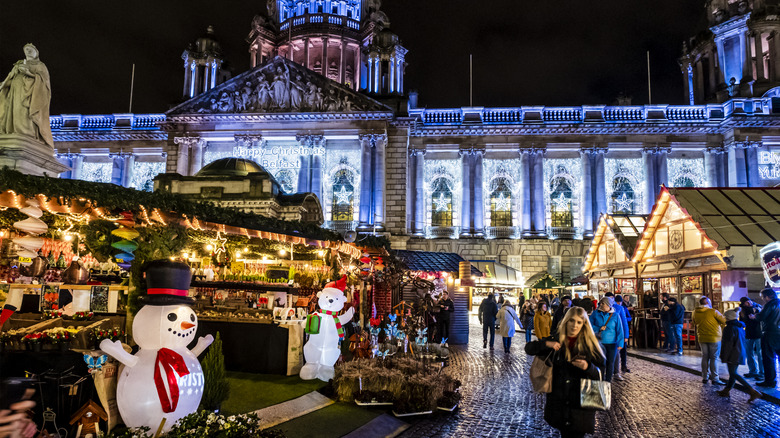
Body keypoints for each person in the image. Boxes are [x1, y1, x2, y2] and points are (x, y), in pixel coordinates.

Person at [525, 307, 606, 438]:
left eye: (579, 322)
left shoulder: (592, 346)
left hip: (581, 405)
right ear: (566, 321)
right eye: (571, 321)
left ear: (584, 324)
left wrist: (587, 367)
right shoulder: (556, 340)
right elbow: (529, 348)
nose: (575, 325)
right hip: (560, 404)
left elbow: (601, 374)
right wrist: (546, 344)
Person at [0, 44, 54, 147]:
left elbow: (45, 84)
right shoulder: (19, 64)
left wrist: (29, 73)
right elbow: (9, 78)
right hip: (15, 95)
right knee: (14, 112)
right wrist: (3, 85)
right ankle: (12, 130)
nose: (28, 51)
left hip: (30, 97)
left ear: (36, 52)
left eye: (31, 50)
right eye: (26, 50)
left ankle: (26, 132)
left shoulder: (40, 66)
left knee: (25, 114)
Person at [717, 309, 762, 402]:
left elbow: (727, 344)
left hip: (732, 353)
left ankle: (752, 391)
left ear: (728, 318)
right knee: (733, 373)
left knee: (733, 373)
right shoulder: (739, 326)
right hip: (739, 352)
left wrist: (724, 355)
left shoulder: (729, 328)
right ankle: (726, 390)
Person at [692, 296, 727, 385]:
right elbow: (724, 321)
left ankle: (705, 377)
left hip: (702, 337)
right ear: (707, 303)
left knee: (705, 357)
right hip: (714, 337)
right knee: (714, 358)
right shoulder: (713, 311)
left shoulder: (695, 312)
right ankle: (715, 378)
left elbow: (694, 323)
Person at [589, 297, 624, 382]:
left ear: (608, 305)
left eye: (603, 303)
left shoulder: (615, 315)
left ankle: (608, 381)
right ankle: (600, 379)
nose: (601, 305)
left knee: (610, 363)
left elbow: (619, 329)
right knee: (600, 362)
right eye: (600, 303)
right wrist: (598, 328)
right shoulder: (595, 314)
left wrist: (620, 343)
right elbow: (589, 326)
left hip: (612, 343)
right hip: (599, 342)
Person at [757, 287, 780, 388]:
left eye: (763, 297)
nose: (762, 299)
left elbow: (762, 317)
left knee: (768, 358)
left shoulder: (769, 304)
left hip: (769, 333)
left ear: (766, 297)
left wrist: (755, 316)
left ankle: (770, 381)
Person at [740, 298, 764, 380]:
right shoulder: (742, 311)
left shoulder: (757, 308)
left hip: (759, 334)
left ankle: (762, 372)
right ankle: (753, 371)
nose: (749, 303)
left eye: (749, 301)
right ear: (743, 304)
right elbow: (743, 322)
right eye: (746, 302)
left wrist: (755, 317)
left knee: (760, 354)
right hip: (749, 334)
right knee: (749, 353)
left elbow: (762, 319)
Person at [612, 295, 631, 376]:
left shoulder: (622, 308)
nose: (618, 303)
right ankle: (615, 369)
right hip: (616, 333)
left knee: (623, 351)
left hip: (622, 332)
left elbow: (629, 318)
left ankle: (623, 366)